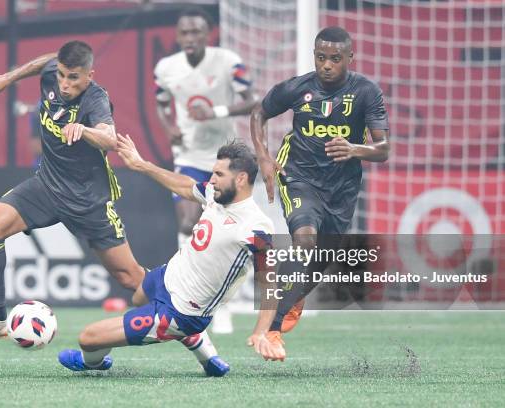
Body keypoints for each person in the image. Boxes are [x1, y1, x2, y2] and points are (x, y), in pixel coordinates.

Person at [0, 41, 145, 345]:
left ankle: (181, 311)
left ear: (89, 76)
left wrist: (84, 130)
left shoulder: (96, 98)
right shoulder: (53, 72)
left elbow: (110, 138)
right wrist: (7, 79)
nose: (64, 83)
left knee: (131, 279)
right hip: (46, 186)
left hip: (88, 201)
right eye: (61, 75)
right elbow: (46, 60)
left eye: (73, 77)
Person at [57, 137, 285, 376]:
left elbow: (270, 284)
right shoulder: (216, 194)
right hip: (168, 276)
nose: (213, 180)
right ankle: (197, 343)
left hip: (182, 312)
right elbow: (186, 186)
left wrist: (261, 332)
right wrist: (141, 164)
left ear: (240, 179)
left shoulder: (256, 228)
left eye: (219, 174)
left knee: (88, 338)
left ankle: (93, 362)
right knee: (137, 298)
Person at [249, 27, 390, 340]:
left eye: (335, 59)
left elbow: (383, 149)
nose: (326, 64)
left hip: (342, 189)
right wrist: (264, 157)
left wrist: (355, 149)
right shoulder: (298, 88)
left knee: (320, 261)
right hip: (299, 176)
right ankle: (270, 327)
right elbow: (259, 112)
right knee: (305, 242)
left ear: (350, 58)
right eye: (321, 57)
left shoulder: (366, 92)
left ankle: (292, 296)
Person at [154, 7, 258, 248]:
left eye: (196, 32)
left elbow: (253, 102)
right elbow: (161, 104)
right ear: (178, 36)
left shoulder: (229, 62)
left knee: (230, 229)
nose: (190, 38)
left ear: (208, 34)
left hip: (226, 157)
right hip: (189, 155)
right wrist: (169, 128)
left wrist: (215, 112)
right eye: (185, 33)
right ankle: (181, 280)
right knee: (188, 223)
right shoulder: (165, 68)